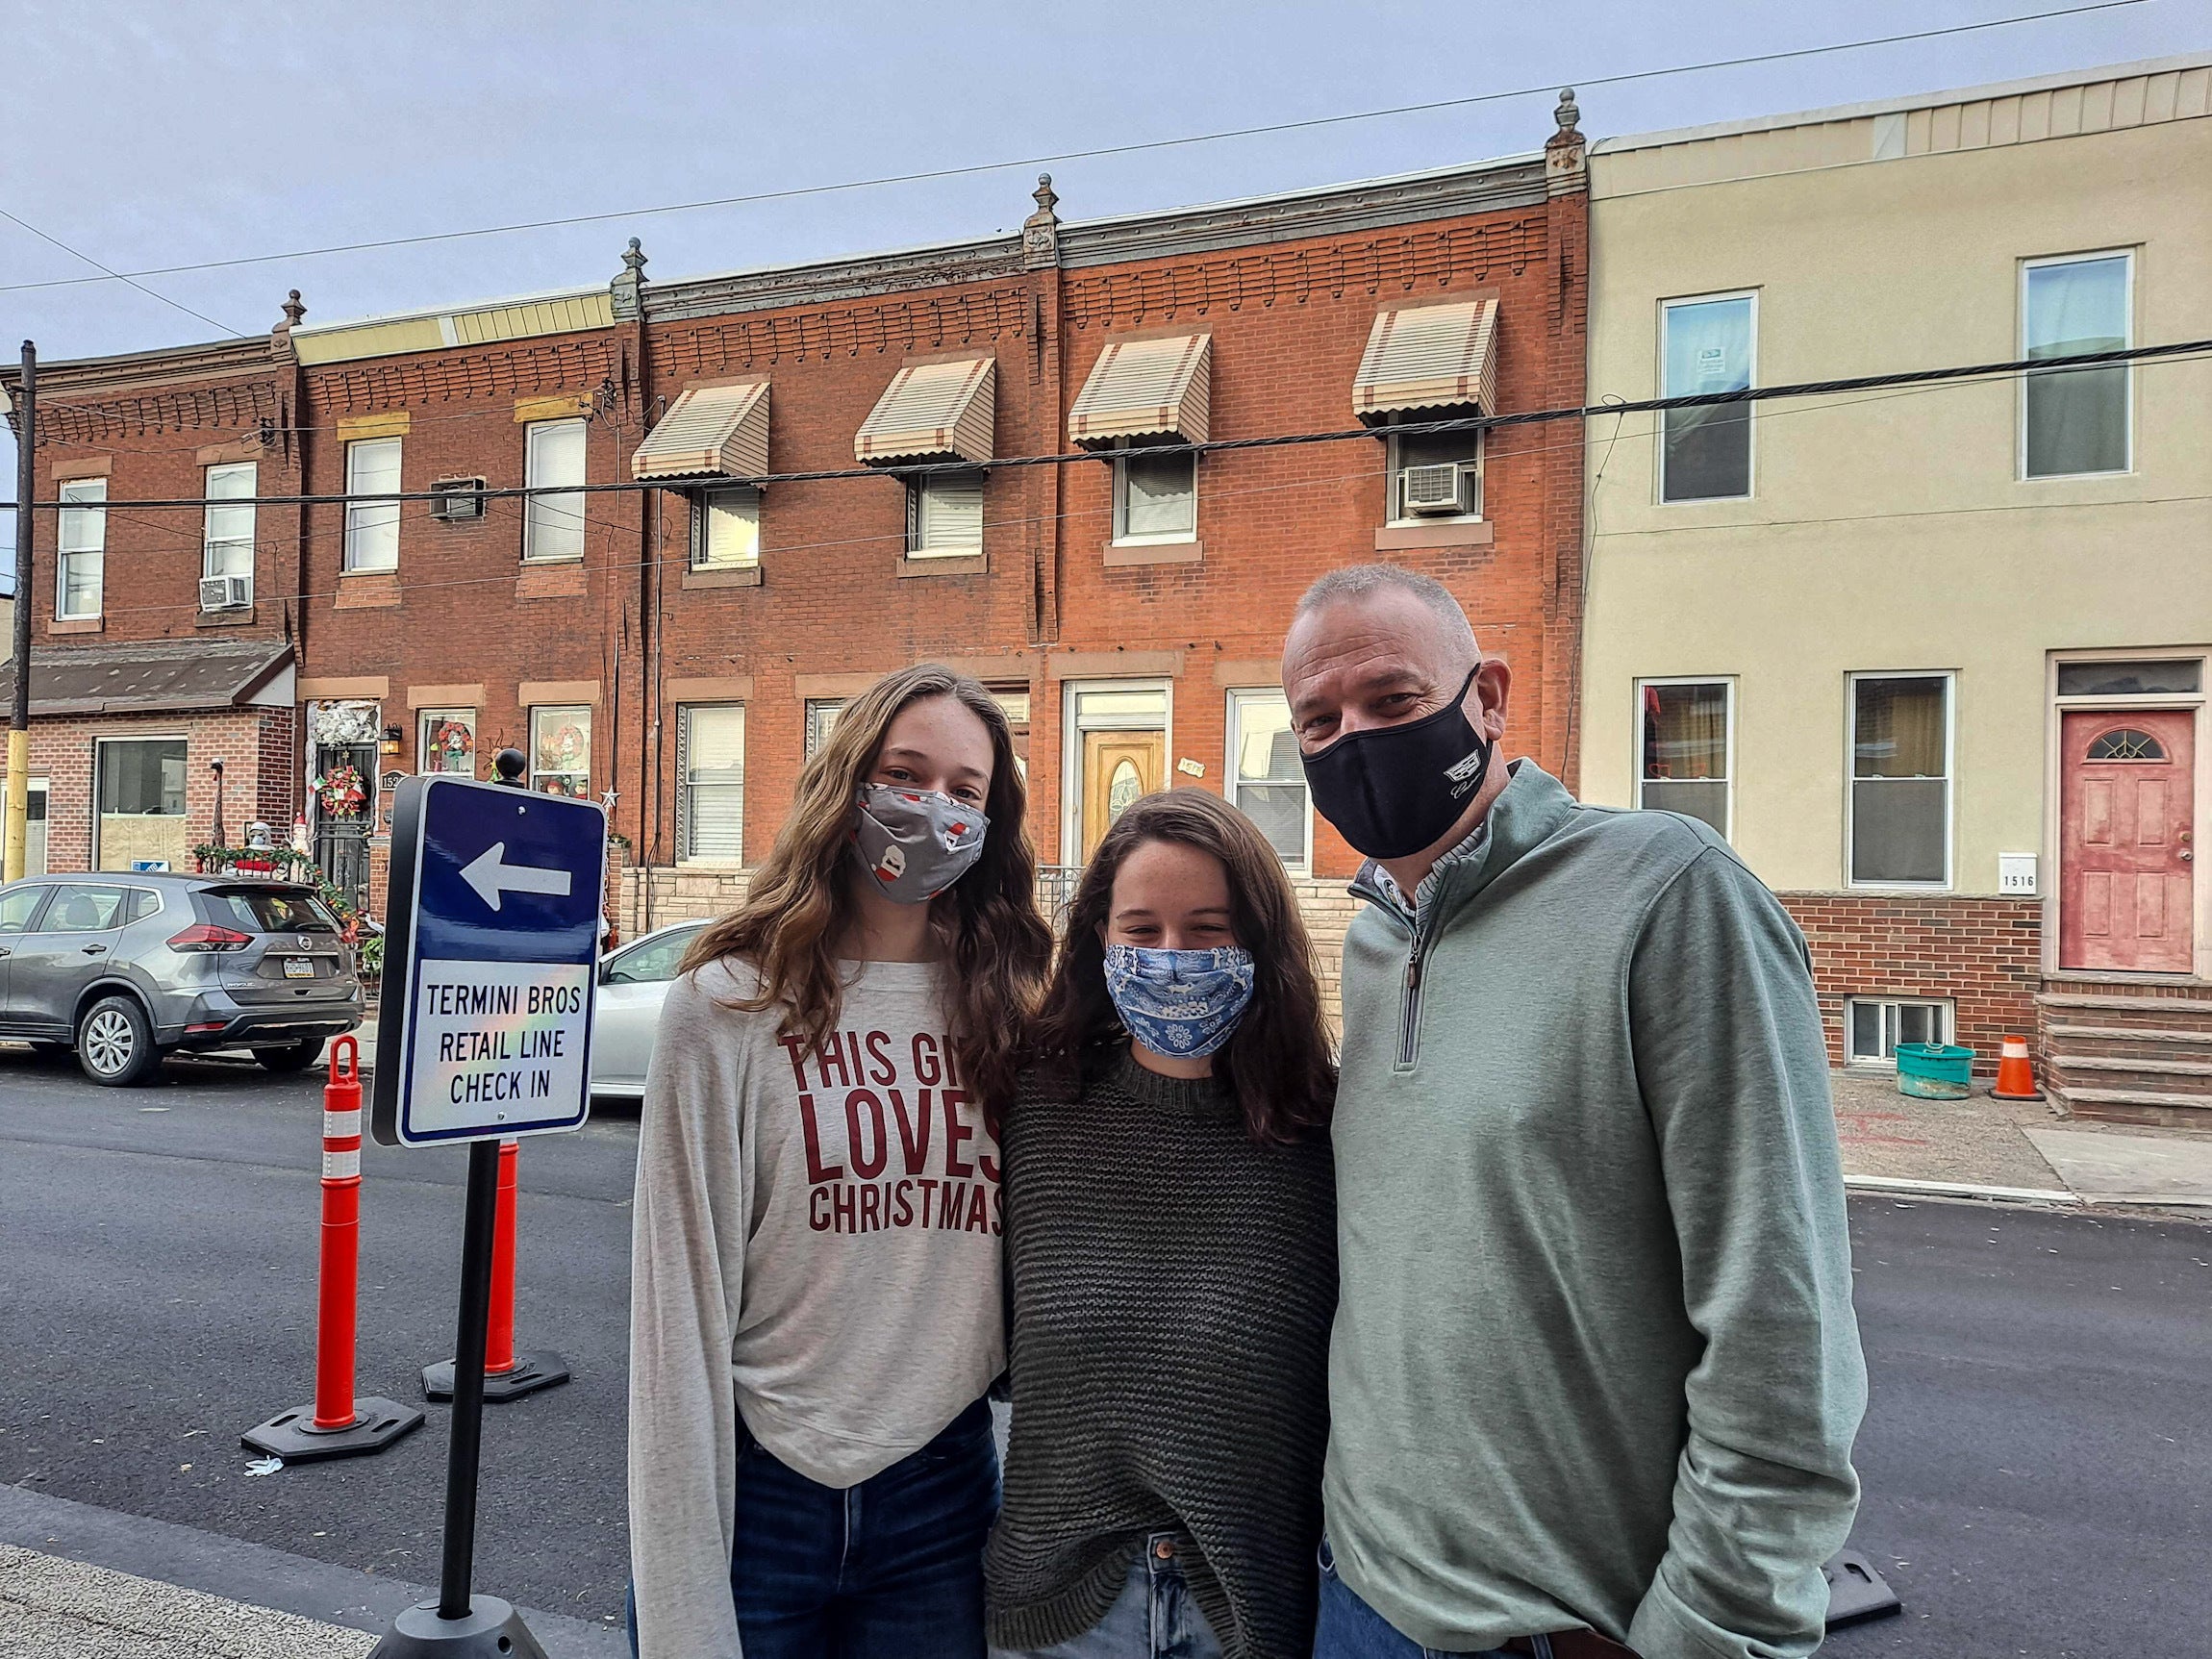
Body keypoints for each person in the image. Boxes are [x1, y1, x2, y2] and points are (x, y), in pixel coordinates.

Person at [1283, 566, 1866, 1659]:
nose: (1352, 740)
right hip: (1355, 1596)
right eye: (1317, 720)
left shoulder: (1667, 895)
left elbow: (1779, 1334)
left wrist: (1707, 1630)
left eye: (1392, 702)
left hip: (1566, 1631)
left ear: (1487, 699)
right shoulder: (1372, 939)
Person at [627, 664, 1055, 1659]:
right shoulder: (727, 1004)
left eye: (964, 792)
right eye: (904, 775)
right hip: (758, 1493)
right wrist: (681, 1611)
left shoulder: (1011, 1009)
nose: (932, 810)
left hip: (940, 1494)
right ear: (848, 781)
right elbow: (674, 1322)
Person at [987, 789, 1338, 1659]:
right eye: (1141, 931)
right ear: (1102, 938)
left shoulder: (1325, 1132)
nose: (1172, 957)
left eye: (1208, 928)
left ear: (1257, 941)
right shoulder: (1034, 1108)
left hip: (1252, 1615)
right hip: (1057, 1611)